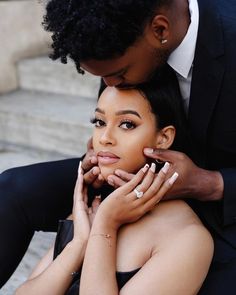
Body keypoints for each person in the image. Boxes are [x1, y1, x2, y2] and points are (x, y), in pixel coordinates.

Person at [0, 0, 235, 293]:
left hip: (223, 200)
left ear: (160, 29)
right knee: (14, 188)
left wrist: (210, 184)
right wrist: (100, 154)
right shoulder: (119, 35)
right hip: (136, 173)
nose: (110, 84)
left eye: (119, 74)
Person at [15, 76, 213, 295]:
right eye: (99, 122)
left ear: (163, 138)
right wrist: (78, 244)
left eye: (127, 124)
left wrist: (104, 227)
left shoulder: (187, 239)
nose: (105, 138)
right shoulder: (93, 207)